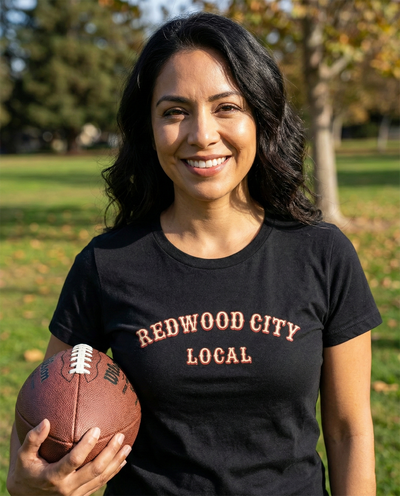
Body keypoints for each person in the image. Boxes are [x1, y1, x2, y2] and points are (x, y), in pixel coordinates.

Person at [7, 12, 381, 496]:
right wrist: (27, 483)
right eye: (174, 111)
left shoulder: (323, 253)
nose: (201, 134)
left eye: (227, 107)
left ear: (261, 116)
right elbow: (43, 416)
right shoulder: (107, 263)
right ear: (149, 127)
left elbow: (349, 432)